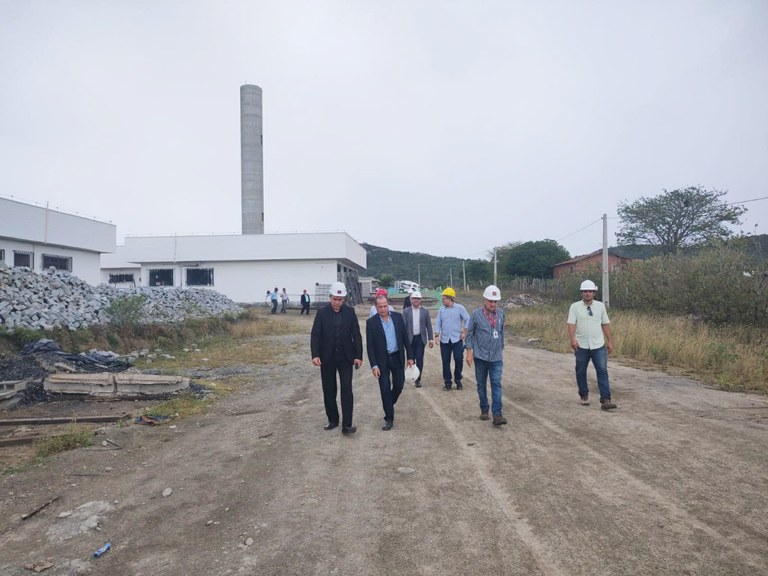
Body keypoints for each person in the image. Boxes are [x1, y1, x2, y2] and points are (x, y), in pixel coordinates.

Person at [310, 281, 364, 435]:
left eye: (340, 300)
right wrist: (315, 355)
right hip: (327, 358)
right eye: (334, 299)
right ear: (330, 298)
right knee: (329, 389)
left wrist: (358, 356)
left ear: (344, 299)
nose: (337, 302)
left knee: (347, 389)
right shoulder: (322, 313)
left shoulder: (350, 312)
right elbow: (316, 335)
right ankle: (333, 419)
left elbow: (356, 335)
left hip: (346, 357)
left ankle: (347, 425)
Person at [567, 279, 617, 410]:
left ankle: (606, 399)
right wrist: (572, 339)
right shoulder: (575, 307)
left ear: (594, 292)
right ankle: (584, 395)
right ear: (581, 293)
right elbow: (571, 324)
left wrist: (610, 340)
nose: (587, 293)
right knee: (580, 371)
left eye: (590, 291)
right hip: (581, 345)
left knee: (602, 370)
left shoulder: (600, 306)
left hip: (598, 345)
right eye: (585, 291)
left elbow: (605, 323)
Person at [366, 295, 413, 431]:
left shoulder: (398, 318)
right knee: (385, 388)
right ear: (376, 307)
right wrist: (374, 365)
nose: (383, 309)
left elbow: (405, 338)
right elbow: (370, 346)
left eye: (385, 306)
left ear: (388, 305)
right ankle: (389, 418)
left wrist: (410, 356)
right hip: (382, 361)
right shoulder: (371, 322)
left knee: (399, 384)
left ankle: (389, 403)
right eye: (380, 307)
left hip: (397, 357)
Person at [465, 285, 507, 426]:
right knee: (481, 384)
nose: (493, 304)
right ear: (484, 300)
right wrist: (469, 353)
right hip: (481, 357)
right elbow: (469, 335)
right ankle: (484, 409)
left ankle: (497, 414)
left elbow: (501, 332)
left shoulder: (501, 313)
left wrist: (501, 347)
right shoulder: (476, 314)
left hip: (496, 357)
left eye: (495, 302)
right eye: (491, 301)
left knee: (496, 383)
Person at [434, 287, 470, 391]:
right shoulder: (441, 310)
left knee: (459, 360)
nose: (442, 300)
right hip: (445, 340)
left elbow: (467, 319)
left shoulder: (460, 308)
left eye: (444, 298)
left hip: (457, 339)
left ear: (450, 298)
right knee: (445, 362)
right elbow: (438, 323)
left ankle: (458, 380)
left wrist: (464, 332)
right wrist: (437, 335)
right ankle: (447, 382)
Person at [402, 290, 433, 388]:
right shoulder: (406, 312)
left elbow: (429, 325)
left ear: (420, 300)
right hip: (410, 339)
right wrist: (402, 340)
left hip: (420, 338)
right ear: (411, 300)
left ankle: (418, 379)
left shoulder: (425, 311)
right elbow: (403, 327)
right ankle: (410, 376)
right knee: (411, 359)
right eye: (414, 298)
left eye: (418, 299)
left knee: (420, 359)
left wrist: (431, 339)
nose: (416, 300)